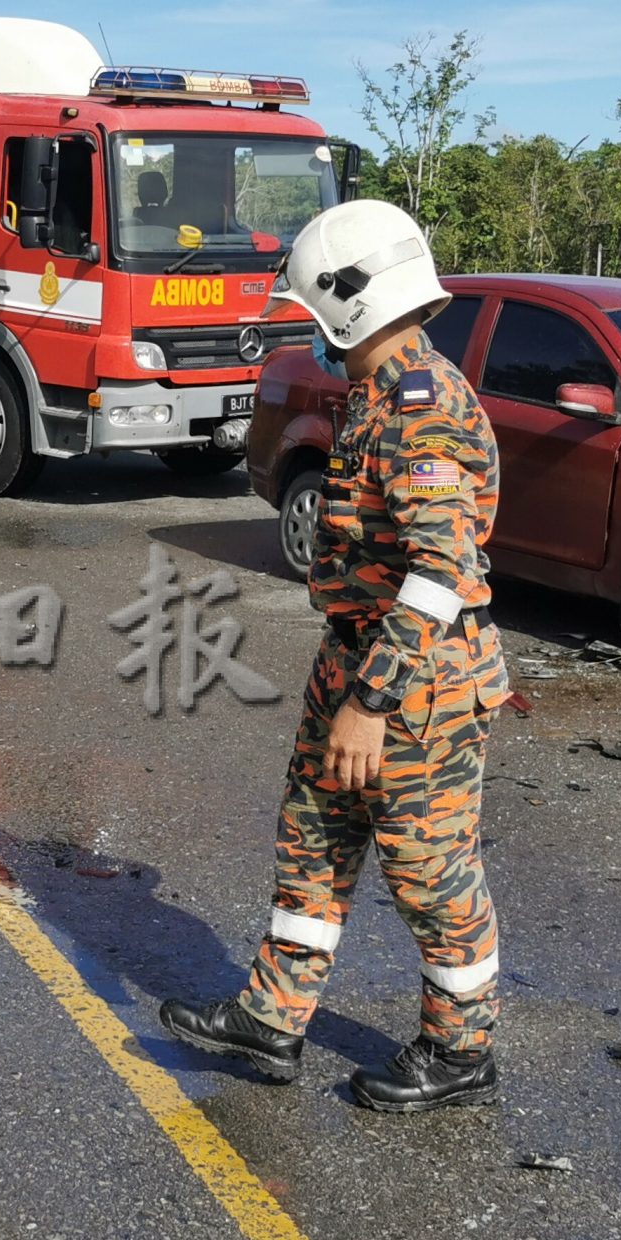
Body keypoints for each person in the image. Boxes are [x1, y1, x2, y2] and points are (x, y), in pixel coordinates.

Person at [159, 199, 510, 1110]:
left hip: (418, 684)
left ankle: (461, 1051)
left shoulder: (422, 411)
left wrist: (371, 702)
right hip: (353, 658)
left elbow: (443, 572)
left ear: (347, 305)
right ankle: (272, 1018)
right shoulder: (376, 394)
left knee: (429, 872)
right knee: (312, 837)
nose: (307, 332)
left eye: (312, 312)